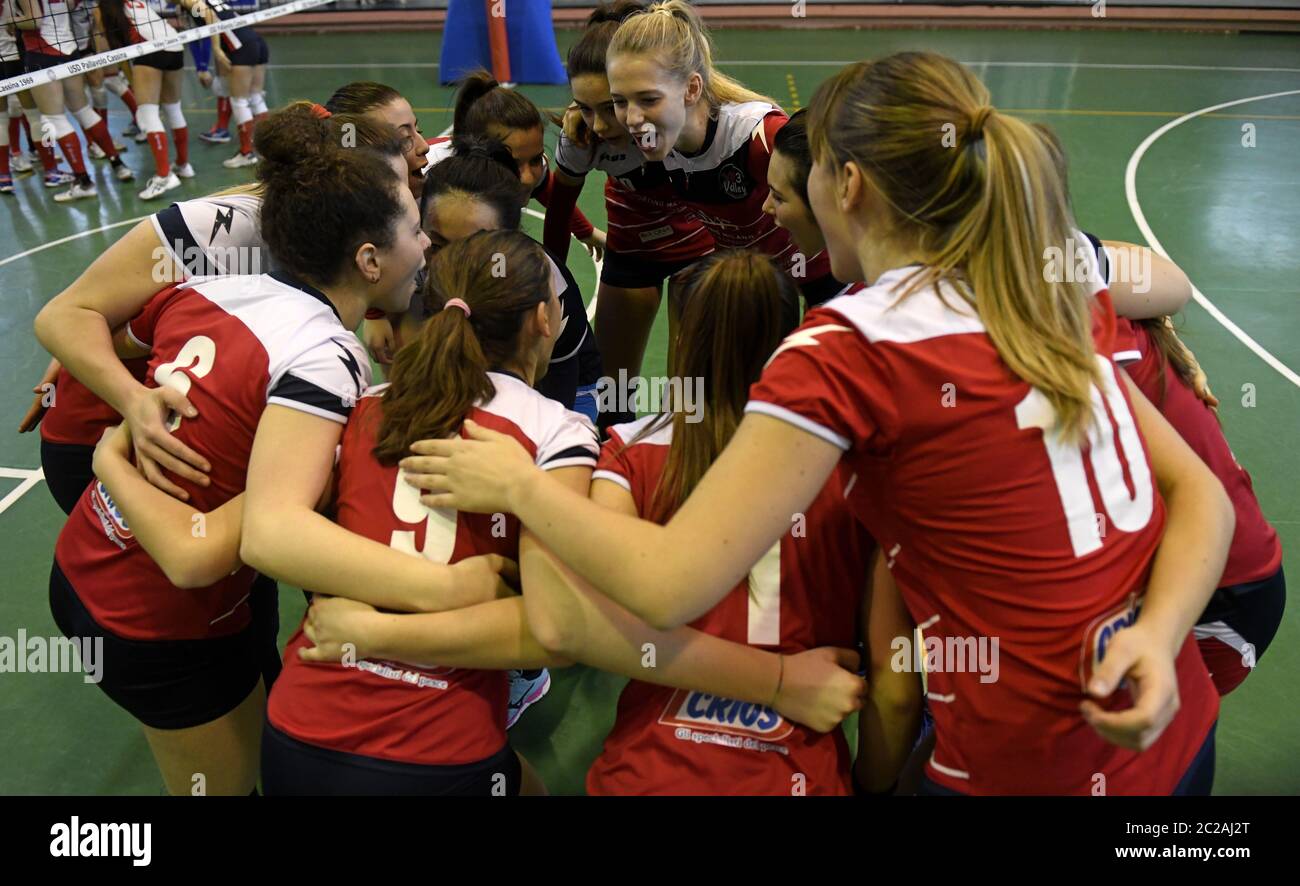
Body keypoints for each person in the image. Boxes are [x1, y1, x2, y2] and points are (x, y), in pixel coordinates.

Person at [400, 52, 1235, 795]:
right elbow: (1204, 496)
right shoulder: (1038, 286)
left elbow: (665, 586)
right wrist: (1160, 637)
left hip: (1023, 761)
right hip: (1172, 725)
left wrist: (522, 487)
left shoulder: (850, 348)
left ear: (850, 186)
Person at [40, 105, 456, 795]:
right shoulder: (325, 357)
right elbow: (219, 548)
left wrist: (109, 447)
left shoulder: (210, 287)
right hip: (153, 616)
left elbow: (114, 335)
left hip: (88, 559)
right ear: (368, 258)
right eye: (416, 230)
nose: (427, 245)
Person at [604, 0, 843, 308]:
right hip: (753, 277)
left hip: (823, 270)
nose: (632, 119)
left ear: (692, 89)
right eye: (619, 102)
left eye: (648, 99)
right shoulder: (656, 139)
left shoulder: (756, 138)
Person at [545, 0, 715, 425]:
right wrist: (552, 283)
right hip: (632, 242)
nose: (602, 125)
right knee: (613, 391)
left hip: (694, 244)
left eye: (611, 106)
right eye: (586, 107)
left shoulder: (681, 121)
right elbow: (557, 208)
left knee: (688, 392)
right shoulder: (582, 137)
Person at [14, 0, 133, 201]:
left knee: (55, 119)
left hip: (42, 53)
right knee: (83, 111)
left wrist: (11, 21)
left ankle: (84, 182)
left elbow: (33, 21)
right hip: (69, 49)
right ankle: (117, 163)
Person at [98, 0, 193, 200]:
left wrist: (132, 80)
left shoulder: (102, 9)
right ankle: (183, 165)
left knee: (148, 114)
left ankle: (164, 175)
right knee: (173, 109)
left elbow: (117, 50)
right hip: (175, 45)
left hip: (148, 50)